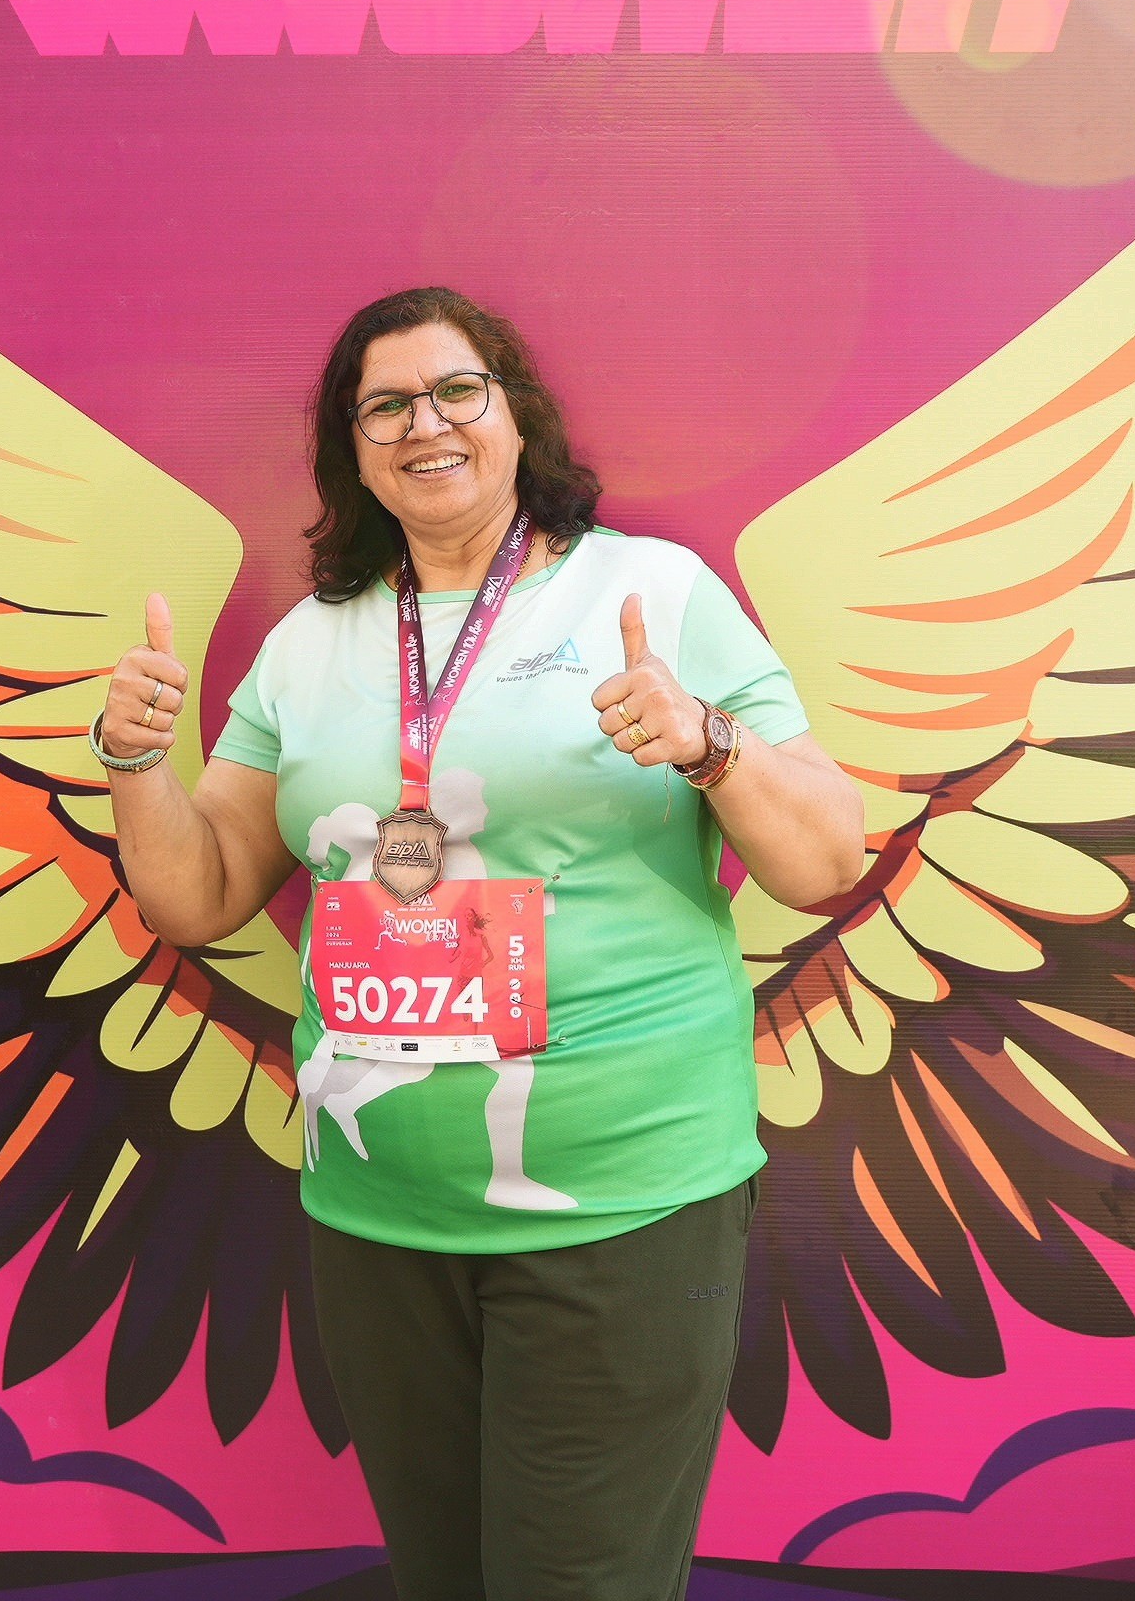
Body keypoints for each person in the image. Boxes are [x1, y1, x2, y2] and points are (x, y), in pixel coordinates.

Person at [91, 287, 866, 1601]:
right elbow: (201, 892)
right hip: (376, 1212)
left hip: (618, 1205)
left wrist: (708, 743)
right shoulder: (308, 642)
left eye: (459, 390)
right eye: (386, 405)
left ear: (516, 416)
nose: (426, 423)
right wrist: (132, 764)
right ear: (352, 449)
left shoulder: (654, 592)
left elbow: (826, 860)